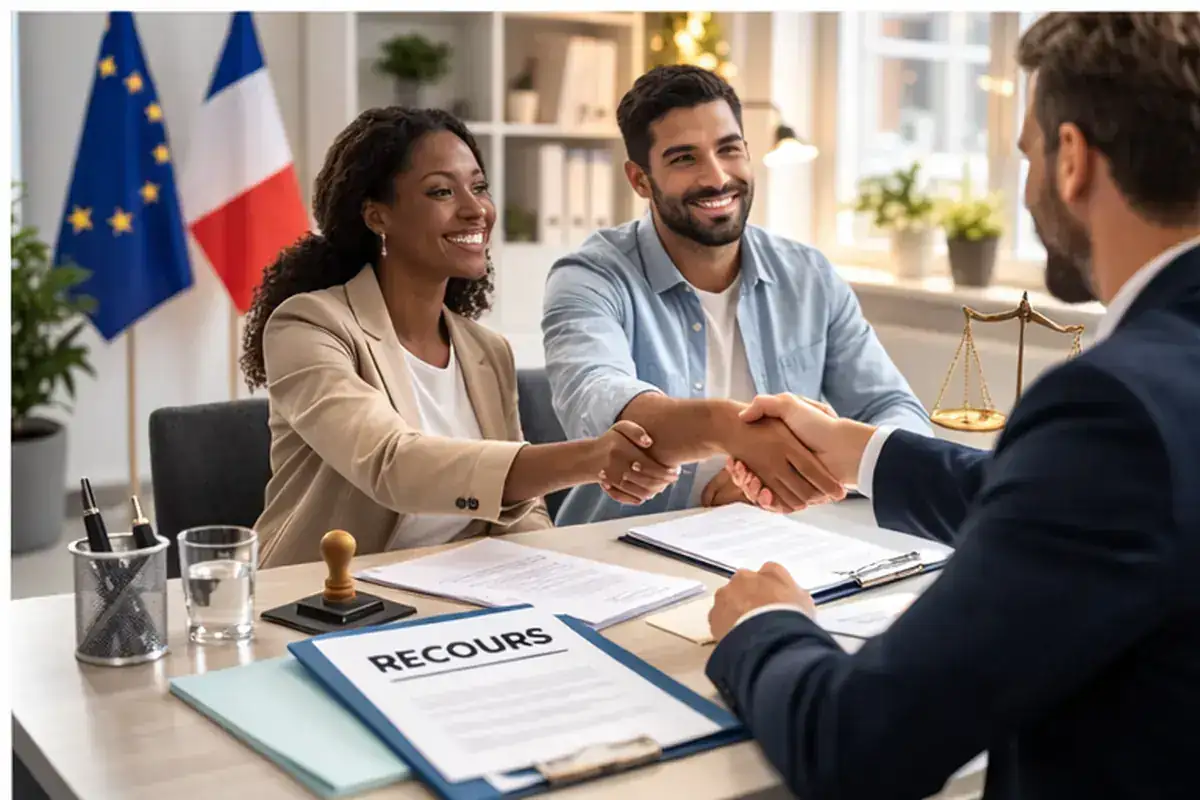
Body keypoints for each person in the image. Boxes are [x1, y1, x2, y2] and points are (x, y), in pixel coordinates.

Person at [706, 12, 1200, 799]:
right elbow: (1102, 517)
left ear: (1071, 157)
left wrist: (765, 625)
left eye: (1027, 155)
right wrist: (857, 450)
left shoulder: (1114, 404)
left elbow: (858, 743)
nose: (1029, 186)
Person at [240, 107, 678, 568]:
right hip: (326, 596)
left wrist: (557, 574)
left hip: (452, 588)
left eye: (480, 187)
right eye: (442, 191)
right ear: (377, 216)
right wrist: (591, 458)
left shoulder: (486, 351)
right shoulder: (309, 325)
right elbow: (393, 465)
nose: (476, 210)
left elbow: (520, 510)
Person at [541, 64, 928, 526]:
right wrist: (733, 435)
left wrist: (784, 478)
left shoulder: (808, 276)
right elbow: (601, 405)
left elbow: (899, 415)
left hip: (777, 542)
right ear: (640, 180)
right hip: (619, 551)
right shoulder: (589, 277)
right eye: (684, 158)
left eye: (729, 149)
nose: (717, 177)